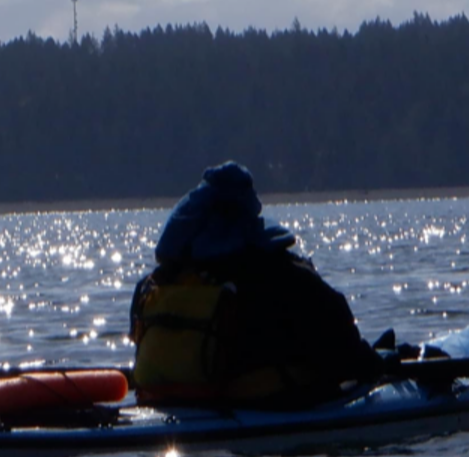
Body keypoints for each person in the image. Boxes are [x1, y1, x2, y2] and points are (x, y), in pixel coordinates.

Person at [130, 161, 383, 409]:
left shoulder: (156, 283)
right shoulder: (286, 276)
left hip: (176, 403)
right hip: (271, 406)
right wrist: (382, 363)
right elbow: (347, 356)